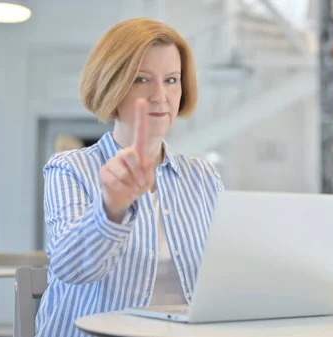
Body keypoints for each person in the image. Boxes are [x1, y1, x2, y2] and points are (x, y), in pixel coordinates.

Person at [35, 18, 224, 336]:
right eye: (141, 79)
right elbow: (69, 268)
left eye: (171, 80)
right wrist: (111, 209)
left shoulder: (203, 177)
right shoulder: (70, 168)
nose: (160, 96)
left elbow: (225, 275)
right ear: (111, 84)